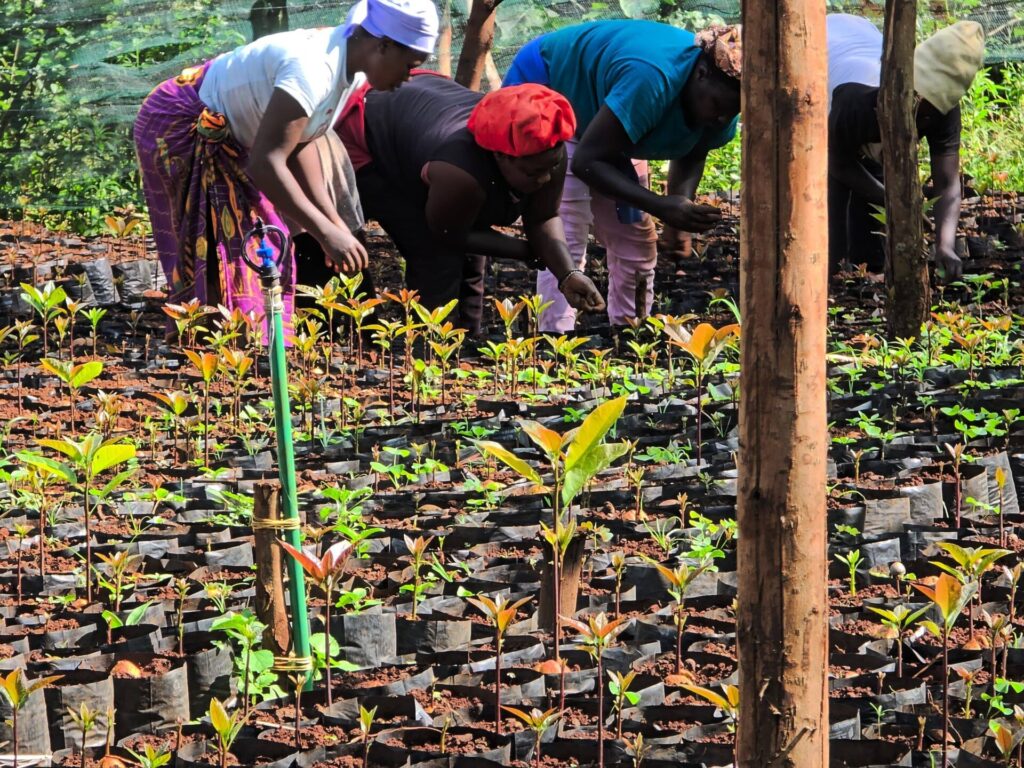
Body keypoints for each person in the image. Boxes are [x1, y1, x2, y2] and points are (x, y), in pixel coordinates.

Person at [133, 0, 439, 337]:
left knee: (255, 248)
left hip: (238, 138)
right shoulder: (313, 68)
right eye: (409, 65)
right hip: (182, 125)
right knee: (231, 247)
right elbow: (265, 164)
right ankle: (213, 349)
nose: (409, 77)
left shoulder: (350, 67)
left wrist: (334, 221)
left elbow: (303, 140)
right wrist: (324, 232)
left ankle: (240, 348)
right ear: (382, 46)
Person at [503, 21, 742, 332]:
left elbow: (694, 149)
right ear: (700, 74)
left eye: (733, 112)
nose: (722, 118)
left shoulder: (723, 99)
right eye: (718, 107)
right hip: (552, 90)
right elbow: (587, 162)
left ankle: (631, 333)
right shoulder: (652, 78)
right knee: (565, 232)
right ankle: (555, 339)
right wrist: (660, 205)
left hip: (610, 121)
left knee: (634, 238)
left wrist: (677, 210)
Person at [334, 72, 605, 336]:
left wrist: (567, 274)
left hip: (421, 99)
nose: (545, 178)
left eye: (553, 165)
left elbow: (543, 217)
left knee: (471, 252)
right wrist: (527, 252)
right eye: (533, 173)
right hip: (367, 129)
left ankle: (466, 339)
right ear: (501, 156)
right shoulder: (459, 172)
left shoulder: (544, 148)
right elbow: (447, 233)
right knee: (434, 254)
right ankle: (421, 347)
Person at [827, 14, 985, 278]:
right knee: (829, 233)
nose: (916, 114)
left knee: (868, 250)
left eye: (925, 114)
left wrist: (945, 245)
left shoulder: (944, 112)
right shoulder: (855, 100)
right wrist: (894, 201)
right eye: (912, 101)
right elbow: (838, 164)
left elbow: (947, 183)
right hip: (827, 52)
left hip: (857, 52)